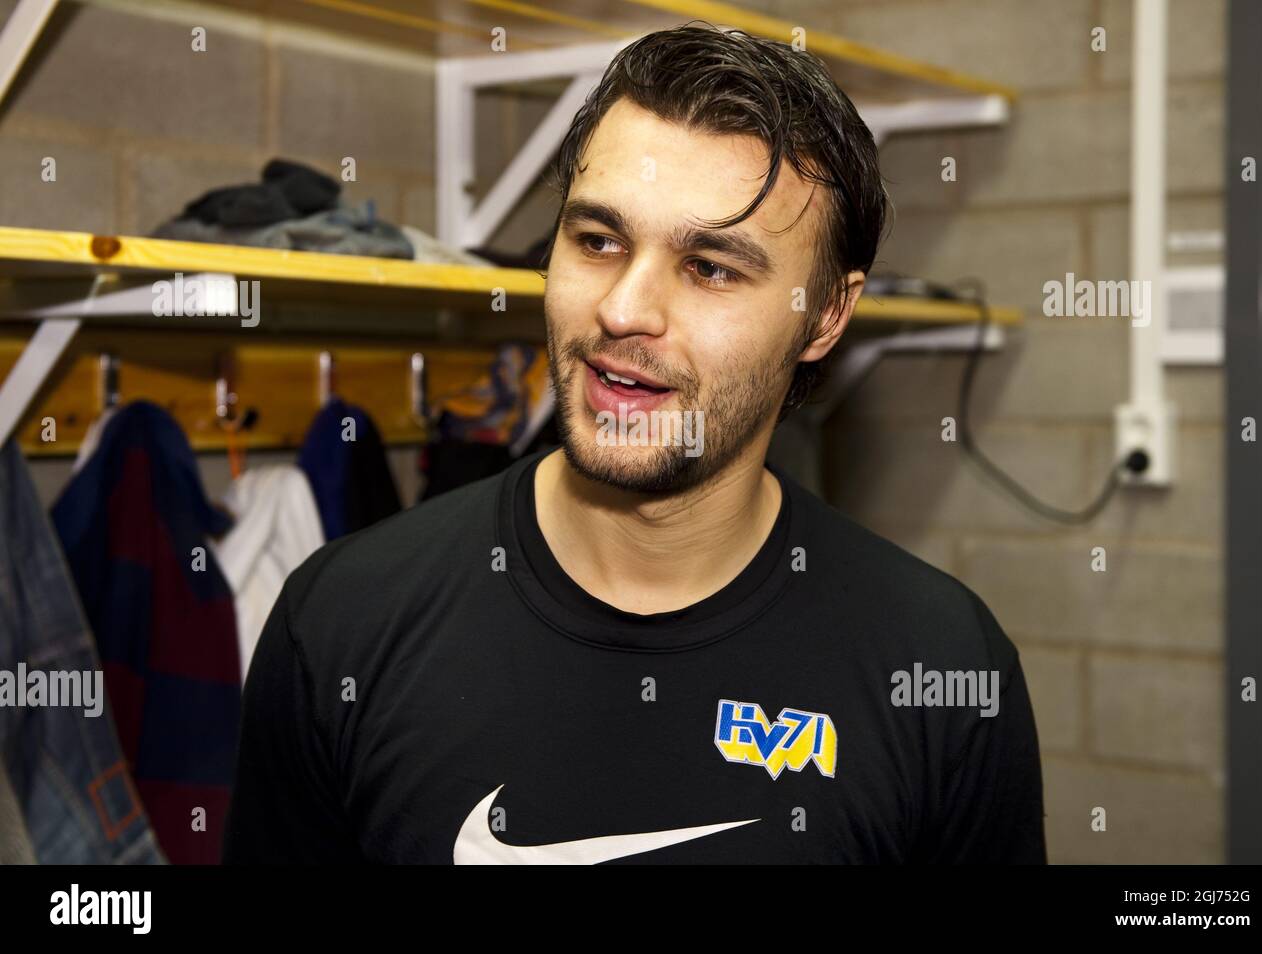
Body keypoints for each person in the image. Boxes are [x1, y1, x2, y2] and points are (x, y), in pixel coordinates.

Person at [222, 21, 1047, 864]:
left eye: (711, 268)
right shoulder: (340, 622)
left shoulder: (942, 667)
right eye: (598, 241)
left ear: (827, 315)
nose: (623, 310)